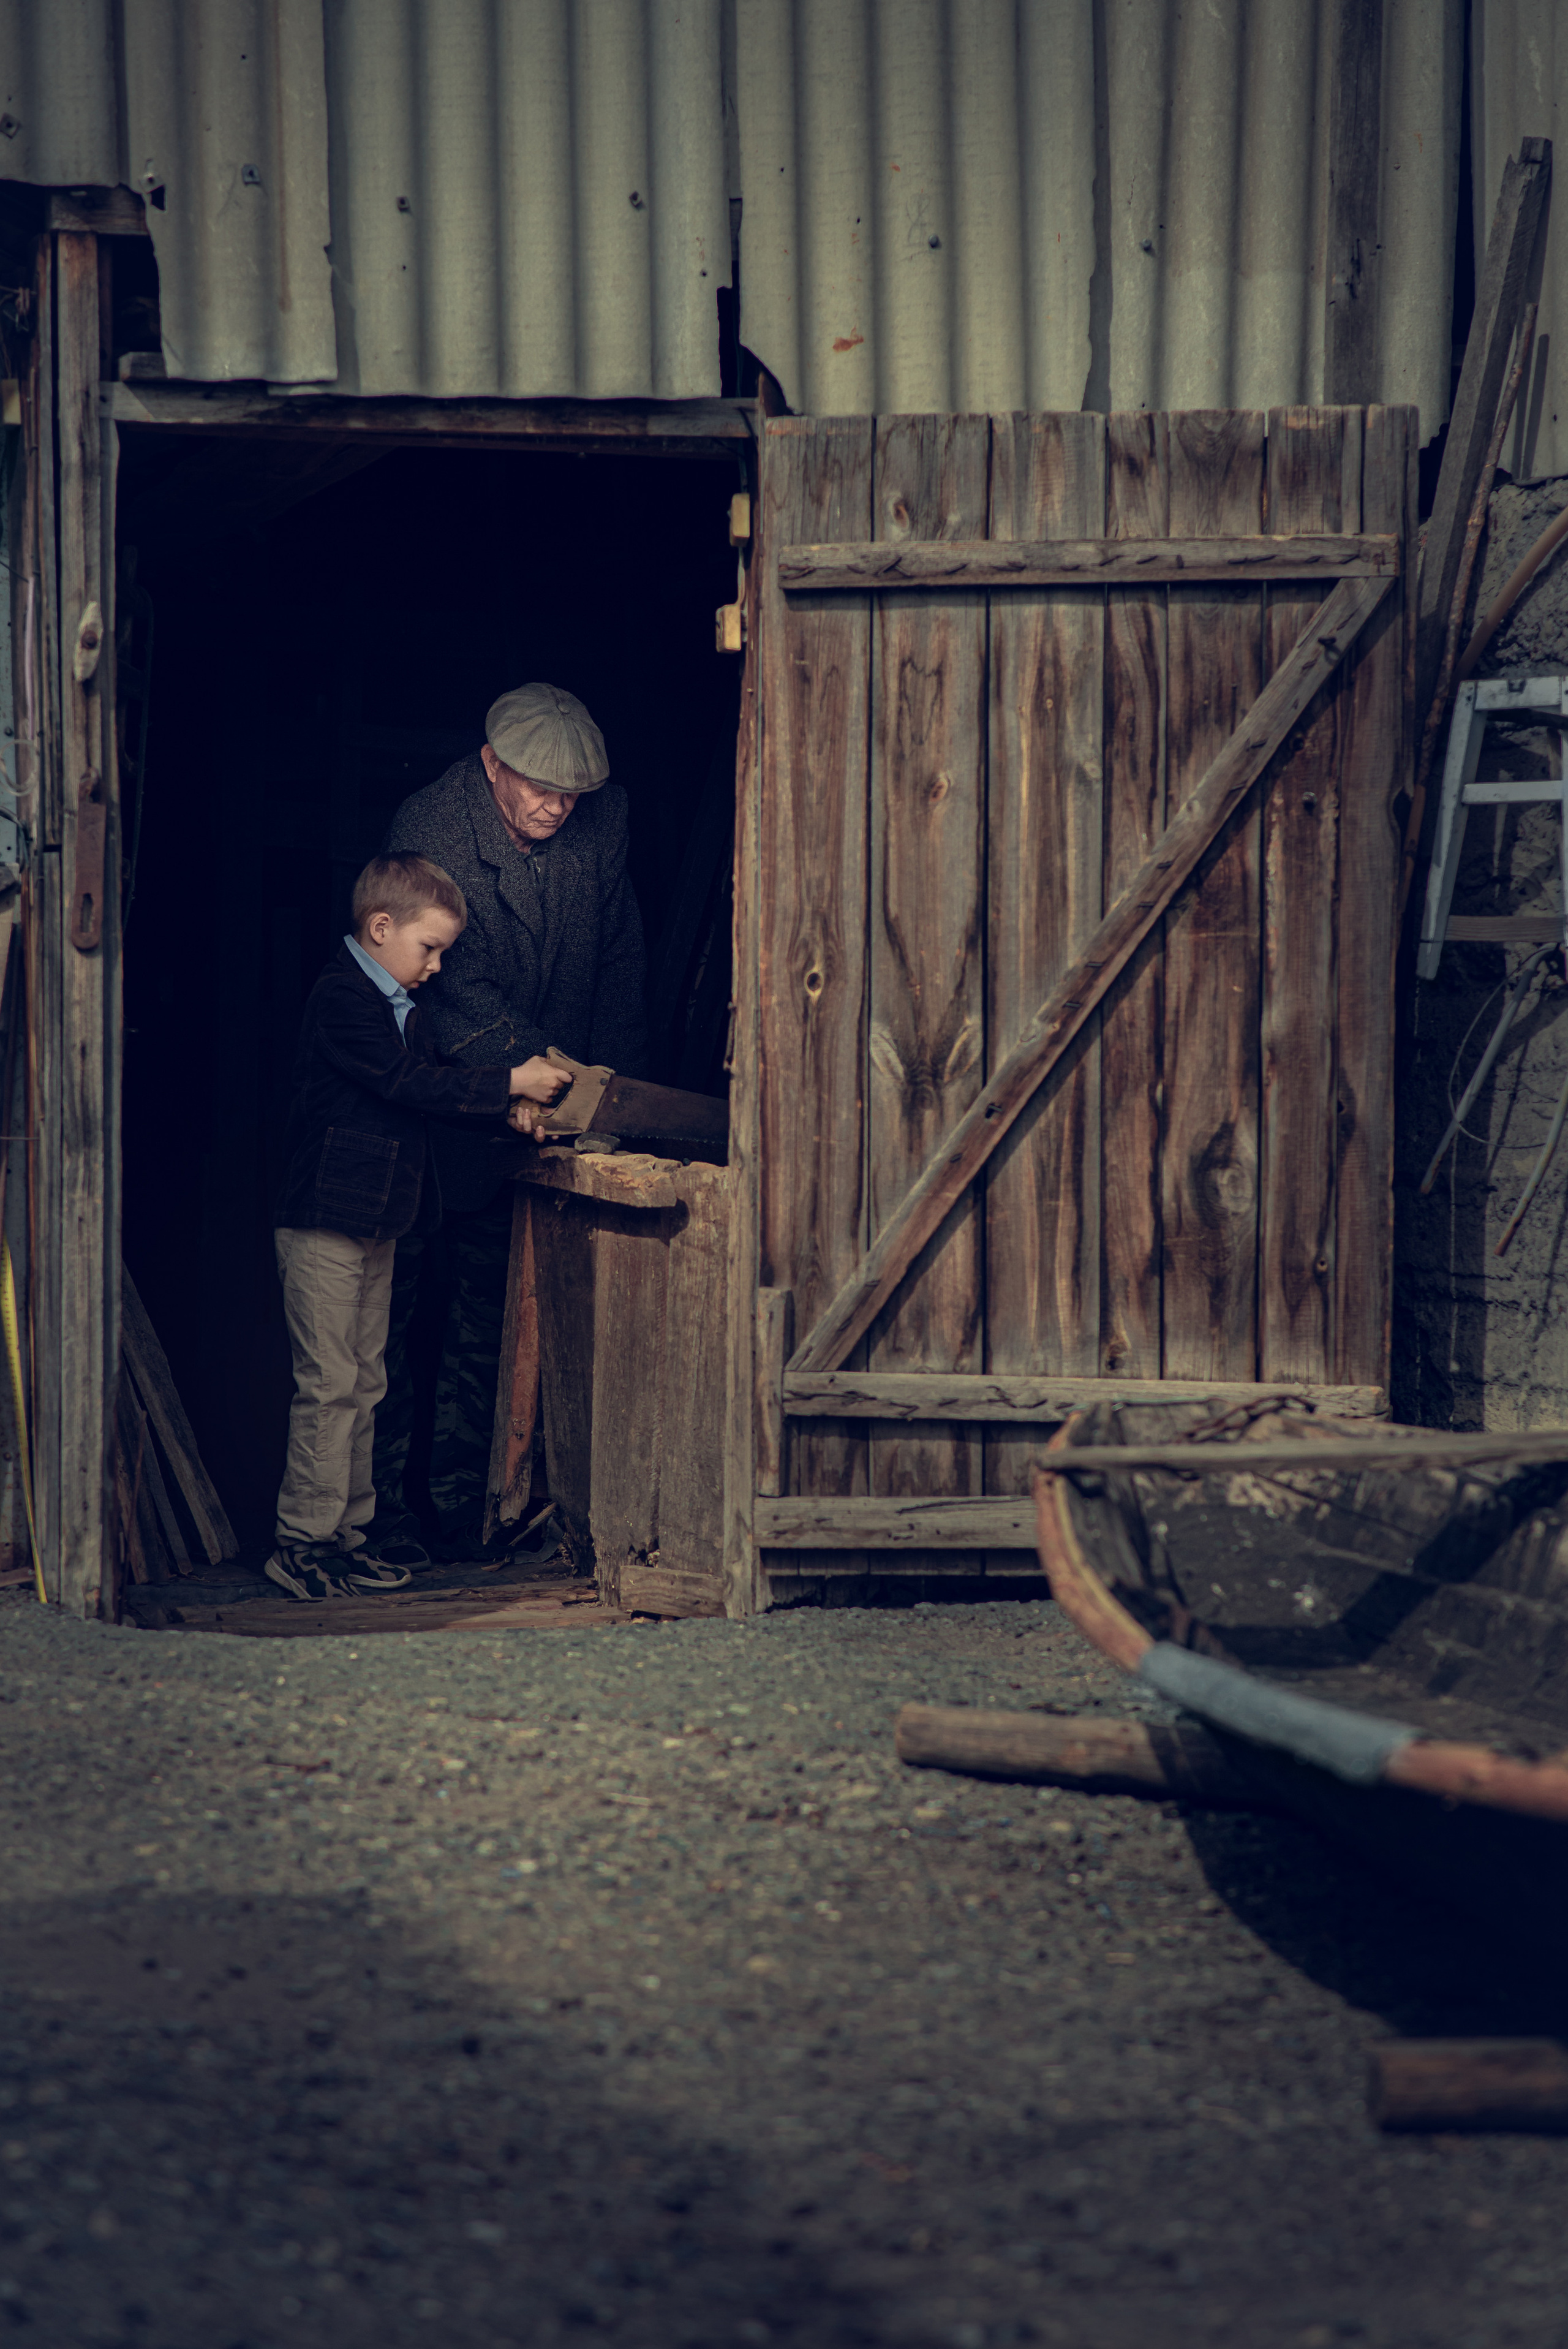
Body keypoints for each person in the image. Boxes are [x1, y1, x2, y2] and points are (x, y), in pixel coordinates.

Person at [369, 683, 647, 1565]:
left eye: (572, 794)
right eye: (537, 787)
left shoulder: (599, 825)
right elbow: (453, 990)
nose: (555, 807)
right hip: (455, 1103)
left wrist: (611, 1093)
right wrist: (540, 1079)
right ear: (492, 764)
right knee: (406, 1315)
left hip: (556, 1107)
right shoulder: (435, 825)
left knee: (492, 1321)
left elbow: (617, 956)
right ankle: (389, 1516)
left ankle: (469, 1514)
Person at [268, 852, 569, 1602]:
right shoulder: (343, 999)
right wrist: (510, 1081)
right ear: (379, 928)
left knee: (365, 1382)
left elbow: (432, 1098)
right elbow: (408, 1085)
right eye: (429, 948)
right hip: (326, 1221)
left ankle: (348, 1535)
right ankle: (301, 1544)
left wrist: (509, 1114)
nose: (436, 966)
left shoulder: (406, 1011)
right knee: (330, 1383)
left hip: (376, 1222)